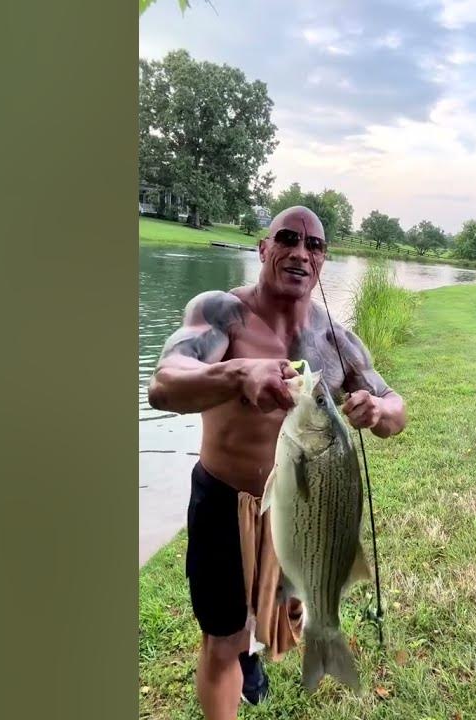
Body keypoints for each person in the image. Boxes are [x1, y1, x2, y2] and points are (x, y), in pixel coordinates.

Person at [147, 205, 407, 719]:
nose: (300, 251)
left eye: (313, 244)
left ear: (323, 261)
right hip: (225, 500)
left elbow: (396, 410)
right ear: (263, 249)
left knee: (284, 611)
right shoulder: (222, 313)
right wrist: (238, 373)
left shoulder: (338, 342)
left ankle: (256, 648)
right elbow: (164, 382)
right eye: (286, 237)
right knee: (222, 640)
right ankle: (239, 655)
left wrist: (375, 408)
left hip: (302, 511)